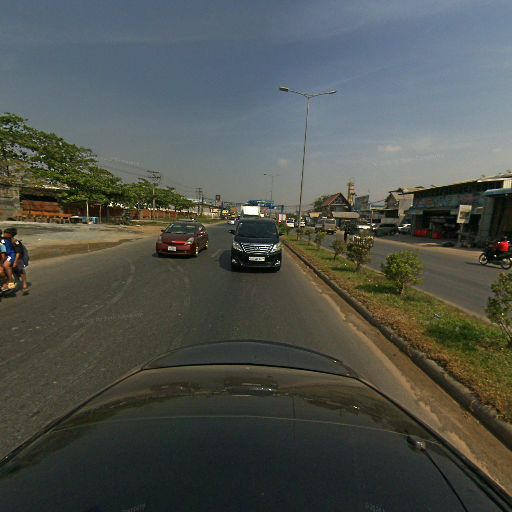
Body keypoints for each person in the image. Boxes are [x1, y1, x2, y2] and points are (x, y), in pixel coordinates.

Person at [2, 227, 29, 292]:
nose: (4, 234)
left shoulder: (16, 242)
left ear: (10, 235)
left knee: (20, 269)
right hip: (8, 256)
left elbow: (18, 253)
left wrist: (15, 262)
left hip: (18, 257)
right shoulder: (4, 239)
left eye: (6, 233)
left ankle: (24, 284)